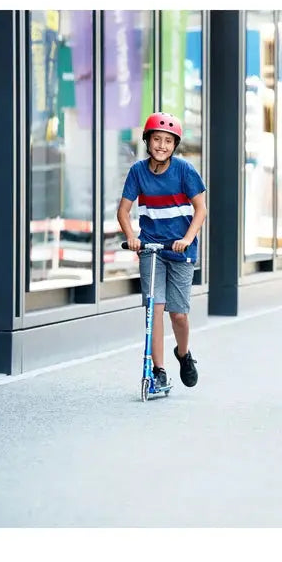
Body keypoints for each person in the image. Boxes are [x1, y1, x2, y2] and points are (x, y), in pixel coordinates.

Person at [117, 112, 207, 393]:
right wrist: (131, 237)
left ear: (175, 145)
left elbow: (201, 209)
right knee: (153, 311)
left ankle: (183, 353)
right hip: (151, 249)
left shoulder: (185, 171)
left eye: (168, 141)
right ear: (148, 141)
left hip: (180, 250)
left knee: (178, 314)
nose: (162, 146)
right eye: (157, 139)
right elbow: (123, 210)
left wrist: (186, 239)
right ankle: (158, 371)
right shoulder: (137, 172)